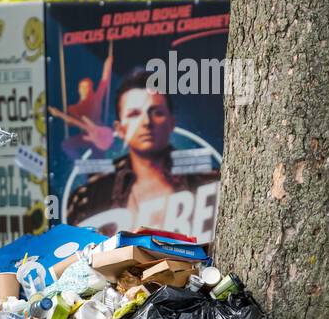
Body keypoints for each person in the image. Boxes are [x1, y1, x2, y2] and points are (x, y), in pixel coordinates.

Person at [66, 69, 219, 236]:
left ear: (171, 122)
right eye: (134, 114)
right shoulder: (89, 197)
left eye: (157, 112)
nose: (146, 122)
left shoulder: (209, 183)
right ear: (120, 129)